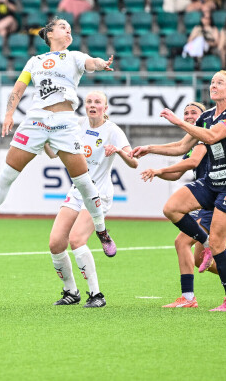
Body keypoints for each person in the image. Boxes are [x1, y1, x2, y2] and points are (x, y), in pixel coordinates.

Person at [0, 19, 118, 255]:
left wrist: (102, 63)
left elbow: (91, 62)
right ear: (50, 33)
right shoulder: (35, 61)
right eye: (63, 26)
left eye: (69, 28)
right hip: (35, 121)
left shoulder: (74, 56)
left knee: (83, 181)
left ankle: (102, 231)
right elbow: (19, 87)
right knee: (7, 174)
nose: (68, 29)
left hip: (64, 122)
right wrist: (9, 113)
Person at [130, 71, 226, 311]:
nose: (214, 85)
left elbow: (212, 136)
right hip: (211, 183)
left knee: (219, 245)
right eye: (212, 82)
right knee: (172, 208)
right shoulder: (207, 115)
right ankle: (205, 242)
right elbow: (181, 146)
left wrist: (179, 121)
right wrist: (150, 148)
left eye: (219, 82)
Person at [45, 91, 137, 308]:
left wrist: (118, 151)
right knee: (56, 243)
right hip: (77, 190)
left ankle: (97, 295)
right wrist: (45, 136)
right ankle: (71, 291)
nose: (92, 105)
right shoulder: (76, 125)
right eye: (89, 102)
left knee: (76, 239)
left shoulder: (113, 131)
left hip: (99, 193)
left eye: (98, 102)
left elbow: (134, 163)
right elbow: (52, 153)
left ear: (105, 107)